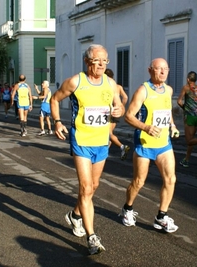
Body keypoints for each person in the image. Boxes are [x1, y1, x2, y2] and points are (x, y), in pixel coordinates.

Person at [50, 44, 124, 255]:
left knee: (94, 186)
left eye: (105, 61)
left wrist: (119, 109)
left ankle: (75, 215)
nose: (101, 64)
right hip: (81, 140)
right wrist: (57, 121)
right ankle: (92, 237)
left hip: (101, 142)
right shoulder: (76, 82)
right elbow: (54, 99)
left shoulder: (110, 83)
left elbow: (119, 108)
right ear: (87, 61)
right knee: (86, 187)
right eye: (97, 60)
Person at [119, 58, 180, 233]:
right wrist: (146, 127)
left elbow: (167, 111)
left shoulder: (168, 90)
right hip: (144, 144)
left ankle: (161, 217)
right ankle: (128, 208)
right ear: (150, 70)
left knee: (171, 179)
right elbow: (129, 116)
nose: (162, 72)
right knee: (139, 182)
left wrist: (173, 125)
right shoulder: (142, 90)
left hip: (164, 144)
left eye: (165, 69)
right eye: (158, 69)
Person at [104, 68, 130, 160]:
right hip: (116, 112)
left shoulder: (106, 85)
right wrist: (121, 106)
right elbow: (125, 97)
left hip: (109, 112)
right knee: (108, 133)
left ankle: (122, 146)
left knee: (108, 133)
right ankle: (105, 151)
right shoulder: (118, 86)